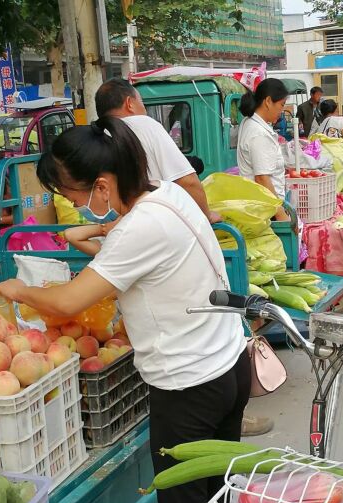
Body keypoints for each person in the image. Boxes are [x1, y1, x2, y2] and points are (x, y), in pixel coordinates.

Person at [0, 116, 249, 503]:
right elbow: (120, 249)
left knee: (180, 500)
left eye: (72, 192)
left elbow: (67, 299)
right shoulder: (168, 199)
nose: (72, 202)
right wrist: (91, 230)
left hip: (187, 386)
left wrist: (20, 291)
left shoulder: (139, 227)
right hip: (228, 364)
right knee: (215, 490)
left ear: (104, 185)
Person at [98, 78, 273, 436]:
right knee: (207, 317)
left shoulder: (102, 139)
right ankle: (231, 412)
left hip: (143, 249)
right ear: (130, 103)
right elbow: (189, 182)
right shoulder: (143, 129)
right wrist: (205, 221)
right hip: (197, 374)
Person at [94, 78, 215, 223]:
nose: (144, 109)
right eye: (142, 103)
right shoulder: (144, 124)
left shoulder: (96, 138)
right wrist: (207, 216)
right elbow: (188, 182)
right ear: (129, 103)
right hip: (156, 226)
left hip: (118, 230)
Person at [237, 78, 290, 221]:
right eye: (281, 104)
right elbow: (262, 178)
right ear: (268, 101)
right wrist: (282, 216)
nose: (282, 110)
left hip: (263, 206)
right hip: (268, 210)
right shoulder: (258, 133)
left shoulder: (249, 122)